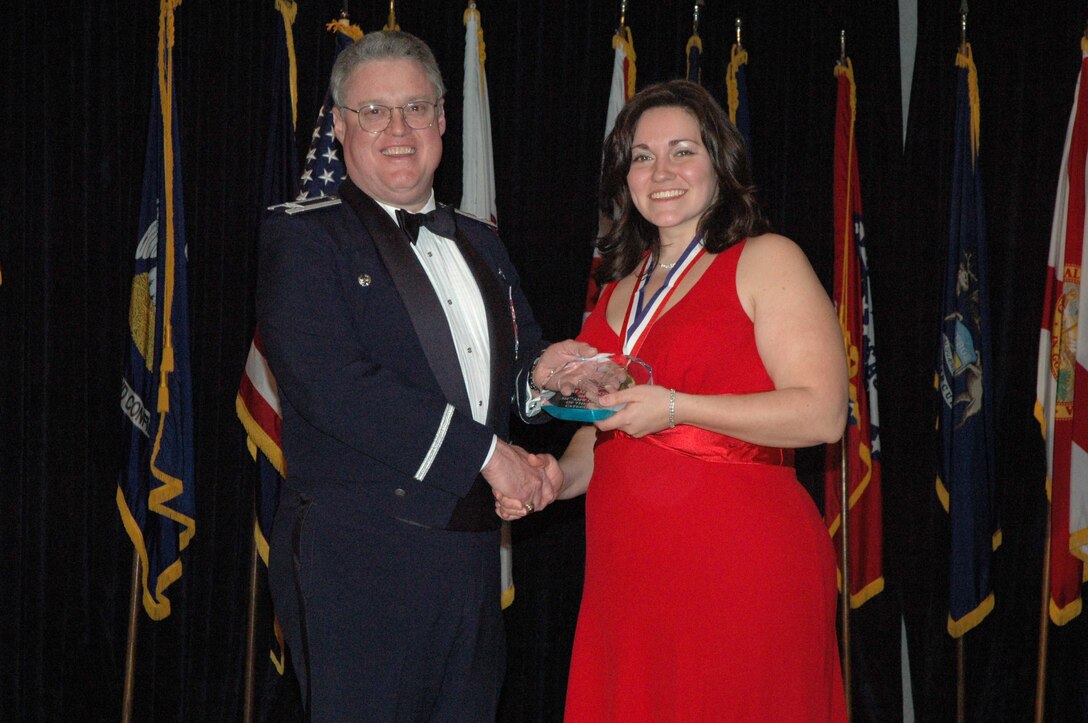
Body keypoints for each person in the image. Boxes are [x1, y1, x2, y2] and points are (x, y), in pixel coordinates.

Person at [256, 30, 588, 720]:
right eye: (373, 111)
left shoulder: (481, 241)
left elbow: (519, 373)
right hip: (359, 557)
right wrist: (491, 454)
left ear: (442, 119)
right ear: (342, 128)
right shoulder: (303, 236)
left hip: (470, 554)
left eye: (414, 107)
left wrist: (548, 377)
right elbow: (336, 386)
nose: (397, 128)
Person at [555, 79, 850, 720]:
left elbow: (824, 414)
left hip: (740, 565)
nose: (660, 171)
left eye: (682, 150)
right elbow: (601, 429)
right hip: (627, 573)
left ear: (720, 163)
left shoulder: (767, 259)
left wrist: (678, 407)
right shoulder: (615, 290)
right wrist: (554, 475)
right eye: (641, 156)